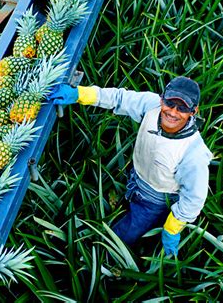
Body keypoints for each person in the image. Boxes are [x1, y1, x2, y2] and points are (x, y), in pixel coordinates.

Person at [49, 76, 213, 256]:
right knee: (124, 207)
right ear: (161, 98)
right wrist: (81, 94)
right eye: (169, 103)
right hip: (136, 176)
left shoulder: (193, 153)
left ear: (193, 111)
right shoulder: (152, 106)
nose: (173, 112)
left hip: (155, 199)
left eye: (182, 108)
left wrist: (173, 227)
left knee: (121, 238)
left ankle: (102, 257)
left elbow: (195, 197)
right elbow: (119, 98)